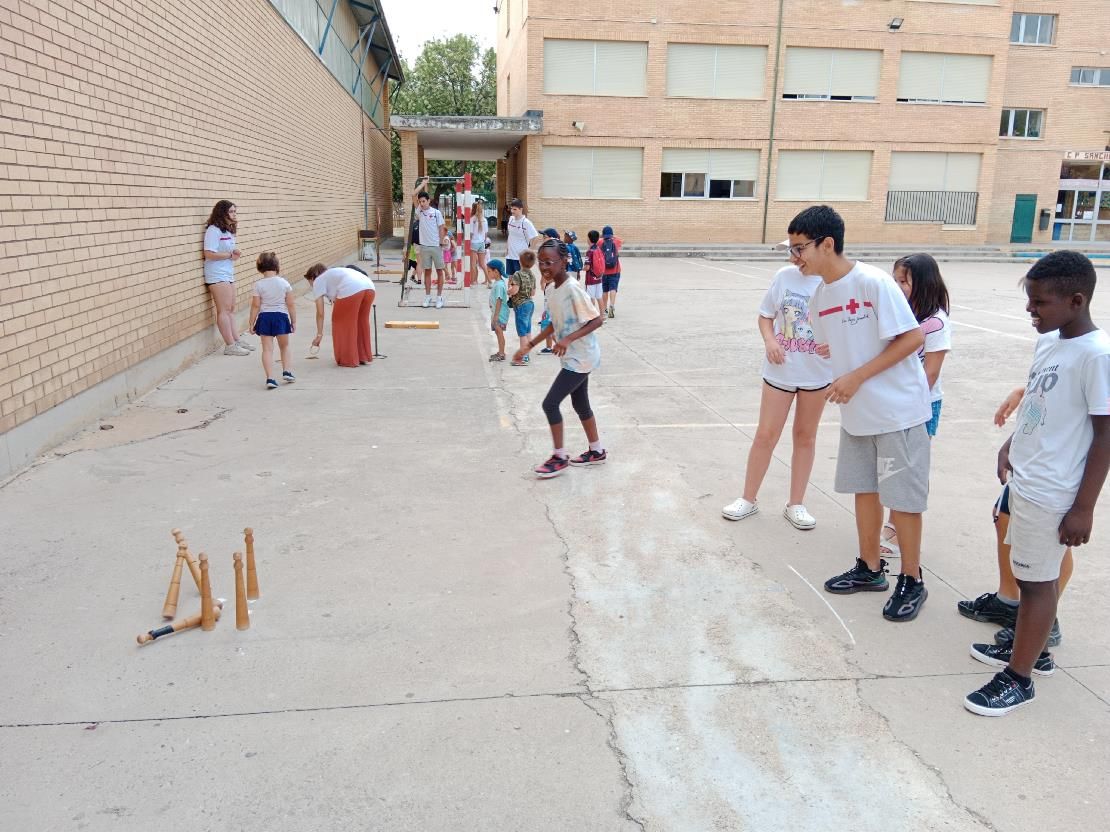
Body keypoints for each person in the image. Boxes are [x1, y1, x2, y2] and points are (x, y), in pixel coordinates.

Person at [964, 251, 1109, 716]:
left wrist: (1083, 508)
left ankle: (1019, 678)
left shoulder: (1096, 356)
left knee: (1037, 583)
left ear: (1076, 299)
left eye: (1039, 303)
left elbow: (1106, 434)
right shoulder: (1050, 340)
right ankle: (1035, 651)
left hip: (1055, 490)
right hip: (1027, 477)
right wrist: (1012, 442)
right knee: (1027, 574)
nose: (1030, 310)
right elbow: (1040, 402)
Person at [798, 205, 932, 622]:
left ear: (828, 244)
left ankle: (913, 578)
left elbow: (911, 337)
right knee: (865, 491)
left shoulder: (872, 282)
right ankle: (870, 569)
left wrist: (856, 376)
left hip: (897, 412)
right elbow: (834, 343)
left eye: (800, 248)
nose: (794, 257)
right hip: (857, 415)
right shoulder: (820, 296)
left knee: (903, 500)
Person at [722, 247, 832, 530]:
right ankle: (748, 498)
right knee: (765, 434)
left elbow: (850, 328)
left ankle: (796, 504)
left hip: (817, 374)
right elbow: (765, 316)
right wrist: (770, 342)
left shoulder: (834, 283)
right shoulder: (785, 276)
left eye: (798, 250)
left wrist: (838, 344)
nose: (792, 257)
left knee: (805, 437)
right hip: (780, 370)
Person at [958, 386, 1074, 649]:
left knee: (1051, 537)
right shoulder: (1054, 345)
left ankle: (1046, 619)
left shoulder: (1096, 352)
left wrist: (1084, 507)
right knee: (1005, 515)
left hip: (1057, 462)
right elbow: (1053, 383)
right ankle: (1007, 600)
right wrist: (1023, 393)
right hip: (1034, 453)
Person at [513, 238, 606, 479]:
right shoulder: (551, 288)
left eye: (550, 262)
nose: (544, 267)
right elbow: (554, 324)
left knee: (550, 404)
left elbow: (597, 320)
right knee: (580, 404)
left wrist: (567, 340)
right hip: (573, 356)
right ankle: (596, 451)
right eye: (541, 262)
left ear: (564, 261)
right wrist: (529, 345)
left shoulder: (573, 289)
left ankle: (559, 456)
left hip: (581, 357)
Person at [879, 253, 952, 557]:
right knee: (892, 468)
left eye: (903, 281)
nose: (897, 286)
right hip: (895, 403)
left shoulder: (936, 323)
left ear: (922, 282)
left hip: (919, 407)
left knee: (907, 471)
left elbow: (930, 373)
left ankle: (896, 532)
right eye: (894, 279)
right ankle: (892, 523)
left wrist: (904, 402)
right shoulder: (901, 313)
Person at [202, 199, 252, 355]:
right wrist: (229, 255)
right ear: (222, 212)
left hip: (227, 272)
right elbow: (208, 253)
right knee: (223, 310)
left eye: (235, 211)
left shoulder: (228, 230)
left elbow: (227, 252)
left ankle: (236, 340)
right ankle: (230, 346)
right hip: (216, 274)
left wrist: (233, 253)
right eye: (231, 211)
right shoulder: (213, 230)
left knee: (230, 309)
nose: (234, 214)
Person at [303, 263, 376, 368]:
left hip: (351, 288)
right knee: (361, 322)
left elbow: (320, 313)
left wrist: (319, 335)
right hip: (369, 287)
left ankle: (347, 359)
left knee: (341, 323)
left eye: (309, 282)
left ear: (313, 277)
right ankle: (363, 355)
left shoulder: (318, 281)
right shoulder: (334, 274)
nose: (311, 286)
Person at [247, 252, 296, 389]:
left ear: (260, 266)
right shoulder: (284, 283)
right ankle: (287, 371)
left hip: (265, 318)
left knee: (267, 350)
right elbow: (291, 304)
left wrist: (251, 322)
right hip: (281, 317)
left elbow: (256, 305)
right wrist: (294, 321)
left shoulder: (258, 285)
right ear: (276, 266)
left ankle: (270, 378)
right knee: (284, 346)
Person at [411, 177, 448, 308]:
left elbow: (441, 228)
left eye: (423, 201)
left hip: (436, 246)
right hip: (424, 246)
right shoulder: (419, 212)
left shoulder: (436, 213)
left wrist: (442, 241)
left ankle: (439, 297)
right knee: (427, 272)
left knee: (439, 272)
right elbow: (413, 194)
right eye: (420, 201)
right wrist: (423, 184)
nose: (421, 203)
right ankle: (427, 296)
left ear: (428, 201)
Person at [507, 250, 538, 366]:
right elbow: (533, 292)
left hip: (521, 305)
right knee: (528, 331)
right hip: (530, 304)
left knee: (522, 333)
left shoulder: (517, 274)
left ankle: (522, 357)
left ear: (520, 262)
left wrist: (509, 291)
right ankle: (527, 354)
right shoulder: (532, 275)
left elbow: (515, 290)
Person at [505, 198, 540, 276]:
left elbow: (536, 237)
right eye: (511, 209)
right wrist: (507, 249)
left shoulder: (526, 222)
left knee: (520, 281)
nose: (512, 211)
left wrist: (529, 251)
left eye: (515, 209)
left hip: (520, 258)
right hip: (510, 256)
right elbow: (510, 235)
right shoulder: (511, 219)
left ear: (521, 209)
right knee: (510, 278)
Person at [487, 259, 509, 361]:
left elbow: (499, 300)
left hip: (499, 314)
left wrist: (496, 316)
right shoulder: (498, 283)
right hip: (496, 313)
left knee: (499, 332)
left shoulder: (499, 285)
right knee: (497, 332)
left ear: (496, 271)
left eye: (489, 271)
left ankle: (501, 353)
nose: (488, 273)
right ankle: (500, 351)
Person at [600, 225, 622, 318]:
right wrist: (613, 236)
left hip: (604, 270)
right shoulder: (616, 242)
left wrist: (601, 236)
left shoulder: (600, 242)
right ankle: (611, 306)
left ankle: (604, 308)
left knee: (605, 290)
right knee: (613, 288)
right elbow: (622, 240)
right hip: (615, 270)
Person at [471, 198, 489, 285]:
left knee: (473, 264)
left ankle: (474, 281)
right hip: (481, 243)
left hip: (474, 243)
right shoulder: (485, 220)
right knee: (482, 264)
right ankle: (488, 280)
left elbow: (470, 234)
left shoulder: (472, 219)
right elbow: (486, 235)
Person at [584, 230, 604, 304]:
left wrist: (581, 268)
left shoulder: (589, 251)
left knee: (591, 298)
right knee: (599, 297)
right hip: (599, 277)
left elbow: (587, 267)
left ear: (589, 239)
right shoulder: (598, 249)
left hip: (590, 279)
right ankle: (601, 315)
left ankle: (593, 315)